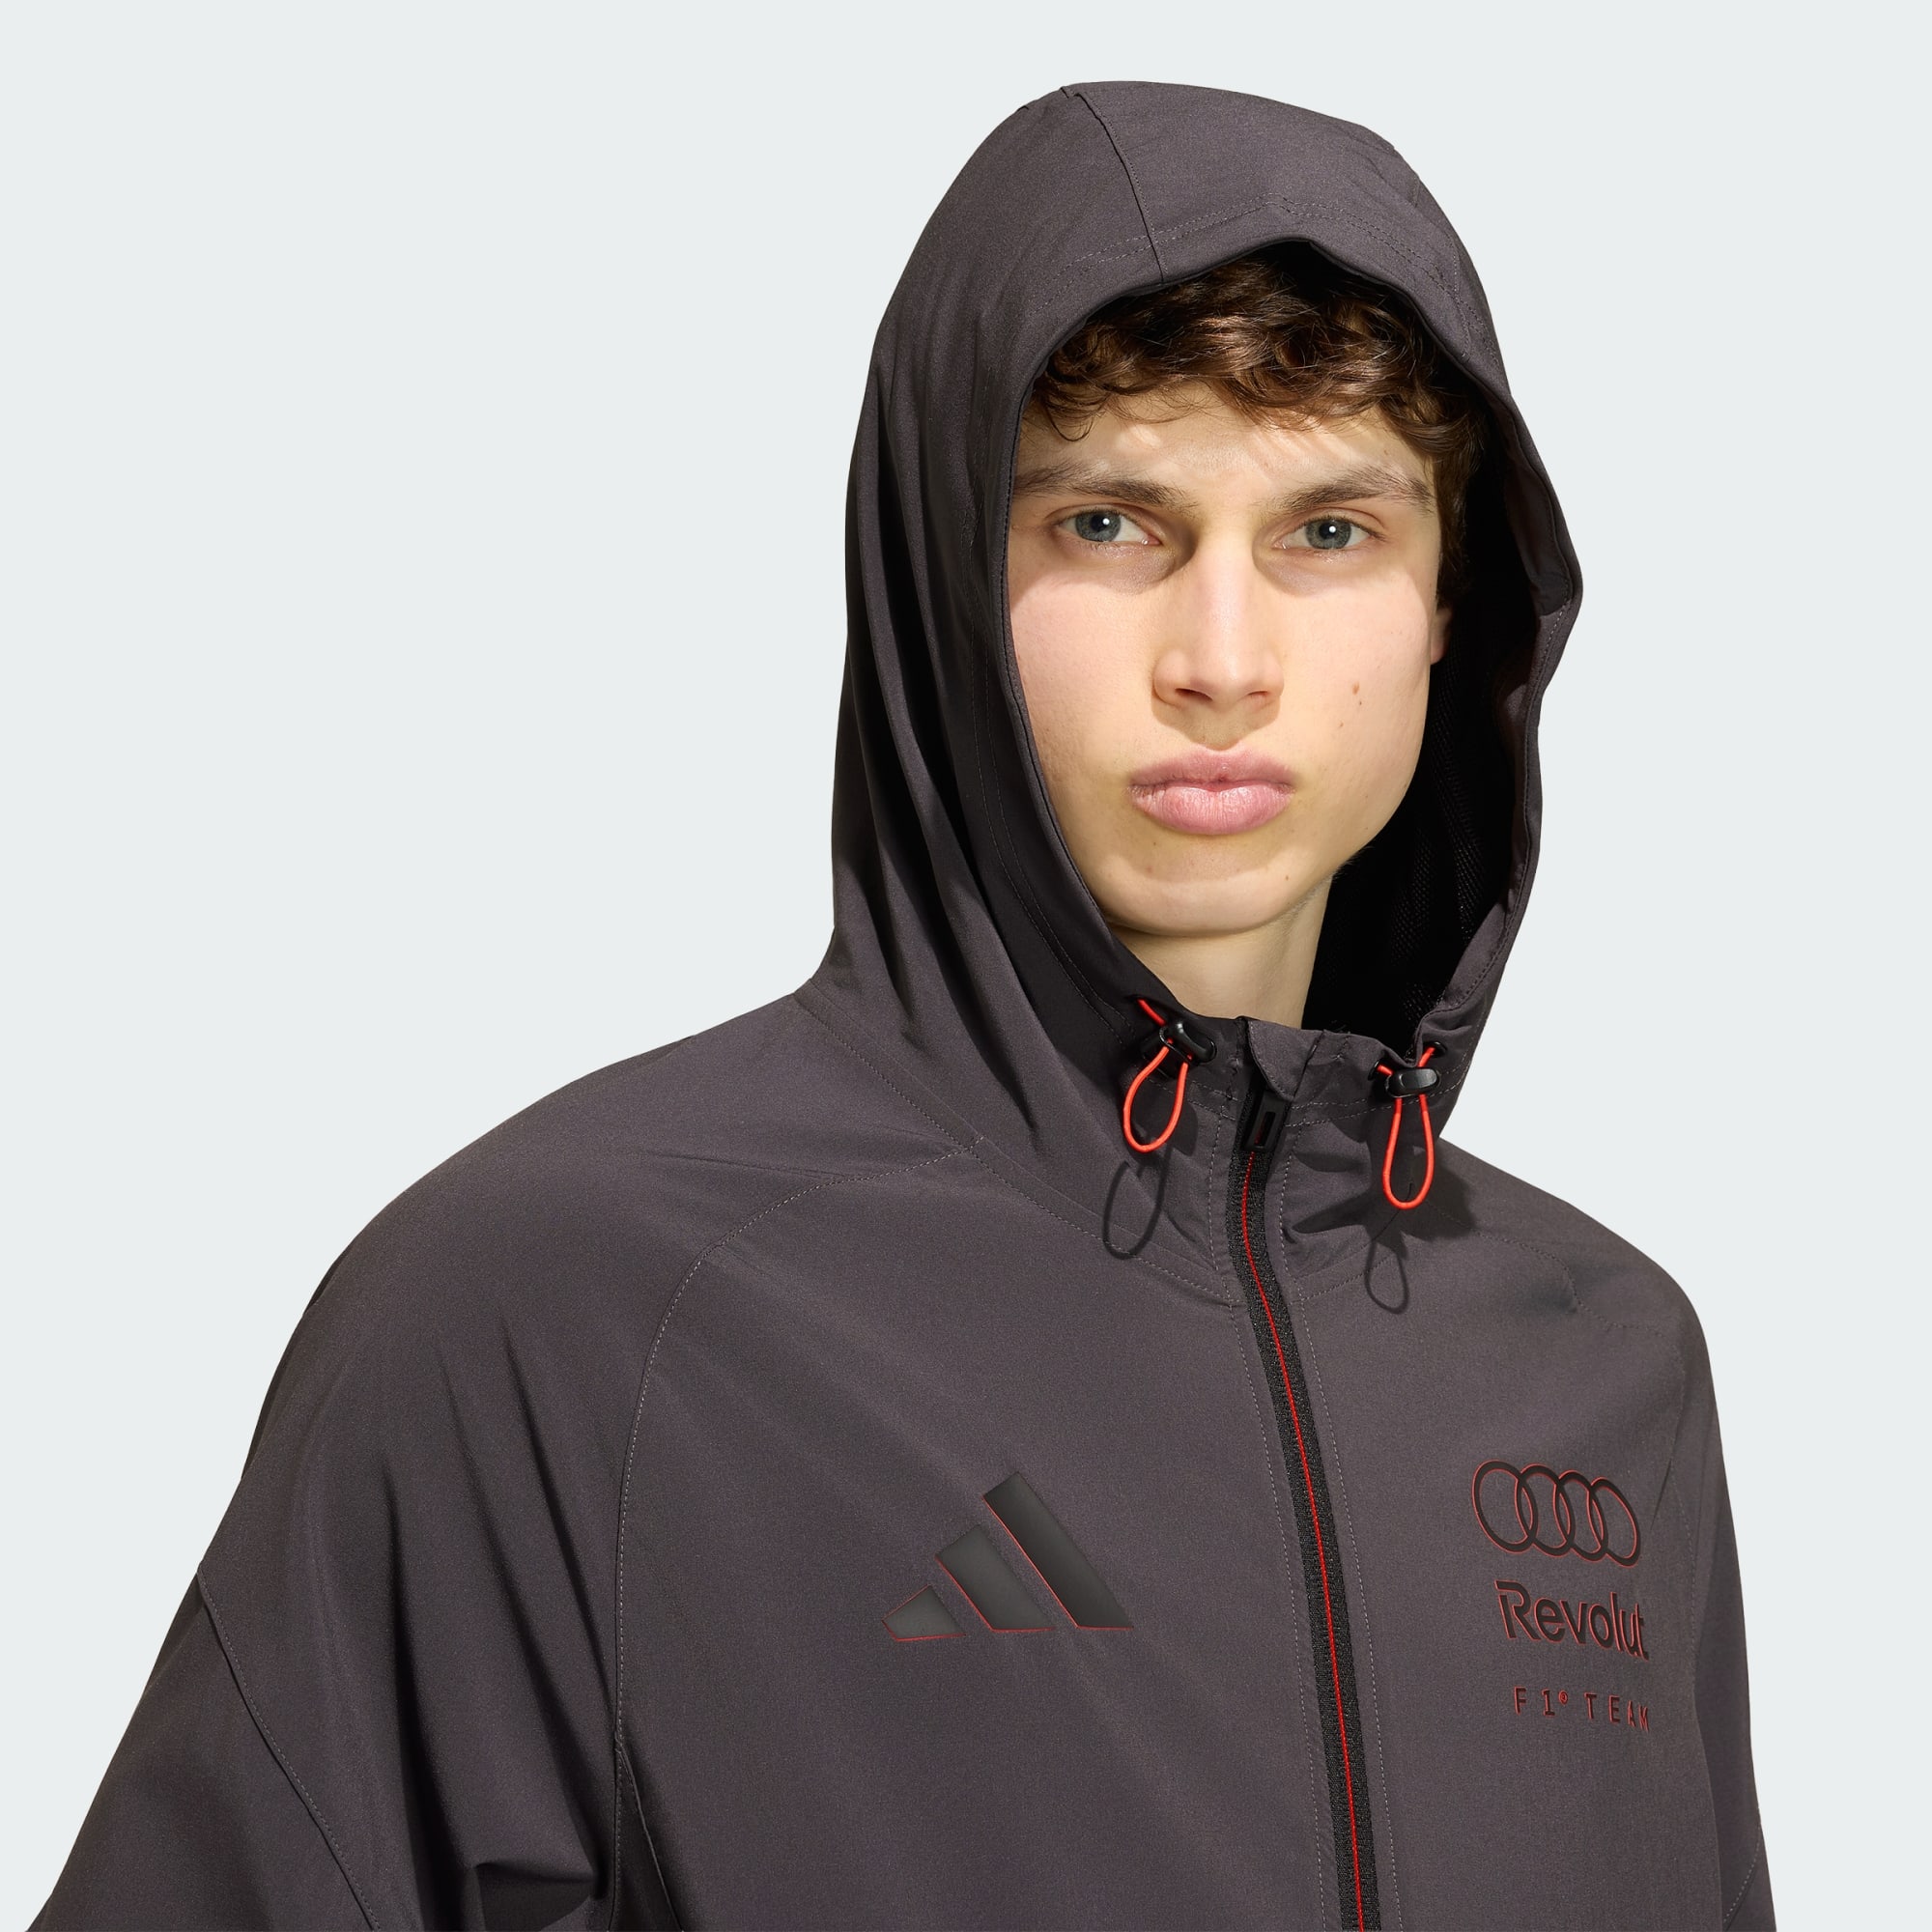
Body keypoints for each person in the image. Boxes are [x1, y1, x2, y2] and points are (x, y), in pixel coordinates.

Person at [34, 80, 1771, 1932]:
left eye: (1329, 533)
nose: (1223, 661)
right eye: (1110, 523)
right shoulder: (562, 1315)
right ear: (946, 575)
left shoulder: (1606, 1366)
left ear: (1451, 604)